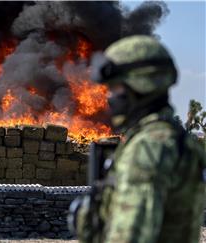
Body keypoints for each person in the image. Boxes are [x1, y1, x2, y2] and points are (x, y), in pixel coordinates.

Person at [74, 35, 206, 243]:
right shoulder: (180, 141)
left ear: (140, 84)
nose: (110, 98)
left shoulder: (148, 147)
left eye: (116, 88)